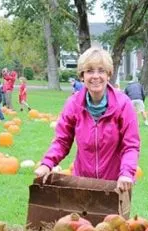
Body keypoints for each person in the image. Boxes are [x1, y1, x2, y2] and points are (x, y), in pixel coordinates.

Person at [34, 47, 140, 193]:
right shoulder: (73, 104)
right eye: (90, 70)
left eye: (101, 70)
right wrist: (47, 164)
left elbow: (131, 145)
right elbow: (62, 140)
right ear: (82, 75)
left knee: (111, 217)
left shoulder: (123, 104)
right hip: (82, 183)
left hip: (115, 185)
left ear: (108, 74)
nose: (95, 76)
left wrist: (127, 174)